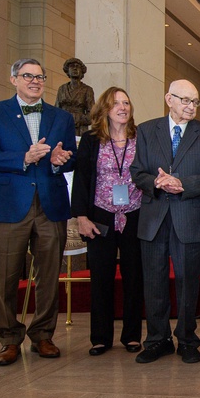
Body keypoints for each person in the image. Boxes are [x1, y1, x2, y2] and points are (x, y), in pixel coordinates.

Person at [0, 58, 76, 366]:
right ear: (14, 80)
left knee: (49, 275)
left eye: (39, 76)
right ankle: (8, 338)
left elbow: (71, 158)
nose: (35, 81)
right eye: (28, 76)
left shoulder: (61, 116)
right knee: (5, 277)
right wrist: (24, 157)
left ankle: (43, 335)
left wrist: (62, 160)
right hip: (10, 206)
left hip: (51, 204)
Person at [130, 80, 200, 365]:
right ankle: (158, 340)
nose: (191, 107)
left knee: (187, 282)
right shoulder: (146, 130)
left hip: (189, 216)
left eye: (195, 102)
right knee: (154, 282)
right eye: (185, 101)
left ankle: (187, 340)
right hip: (154, 216)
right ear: (169, 99)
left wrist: (182, 184)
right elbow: (137, 171)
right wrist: (157, 182)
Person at [71, 87, 144, 356]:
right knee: (101, 276)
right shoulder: (91, 140)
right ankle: (100, 337)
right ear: (105, 109)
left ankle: (132, 336)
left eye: (126, 102)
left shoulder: (140, 137)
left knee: (134, 277)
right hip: (100, 215)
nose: (123, 107)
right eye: (116, 103)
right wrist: (81, 216)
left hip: (135, 214)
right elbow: (81, 180)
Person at [55, 57, 95, 136]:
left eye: (78, 66)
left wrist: (76, 118)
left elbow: (92, 115)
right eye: (72, 66)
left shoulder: (87, 90)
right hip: (63, 127)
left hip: (79, 130)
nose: (75, 68)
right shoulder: (62, 89)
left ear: (82, 71)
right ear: (67, 70)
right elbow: (56, 110)